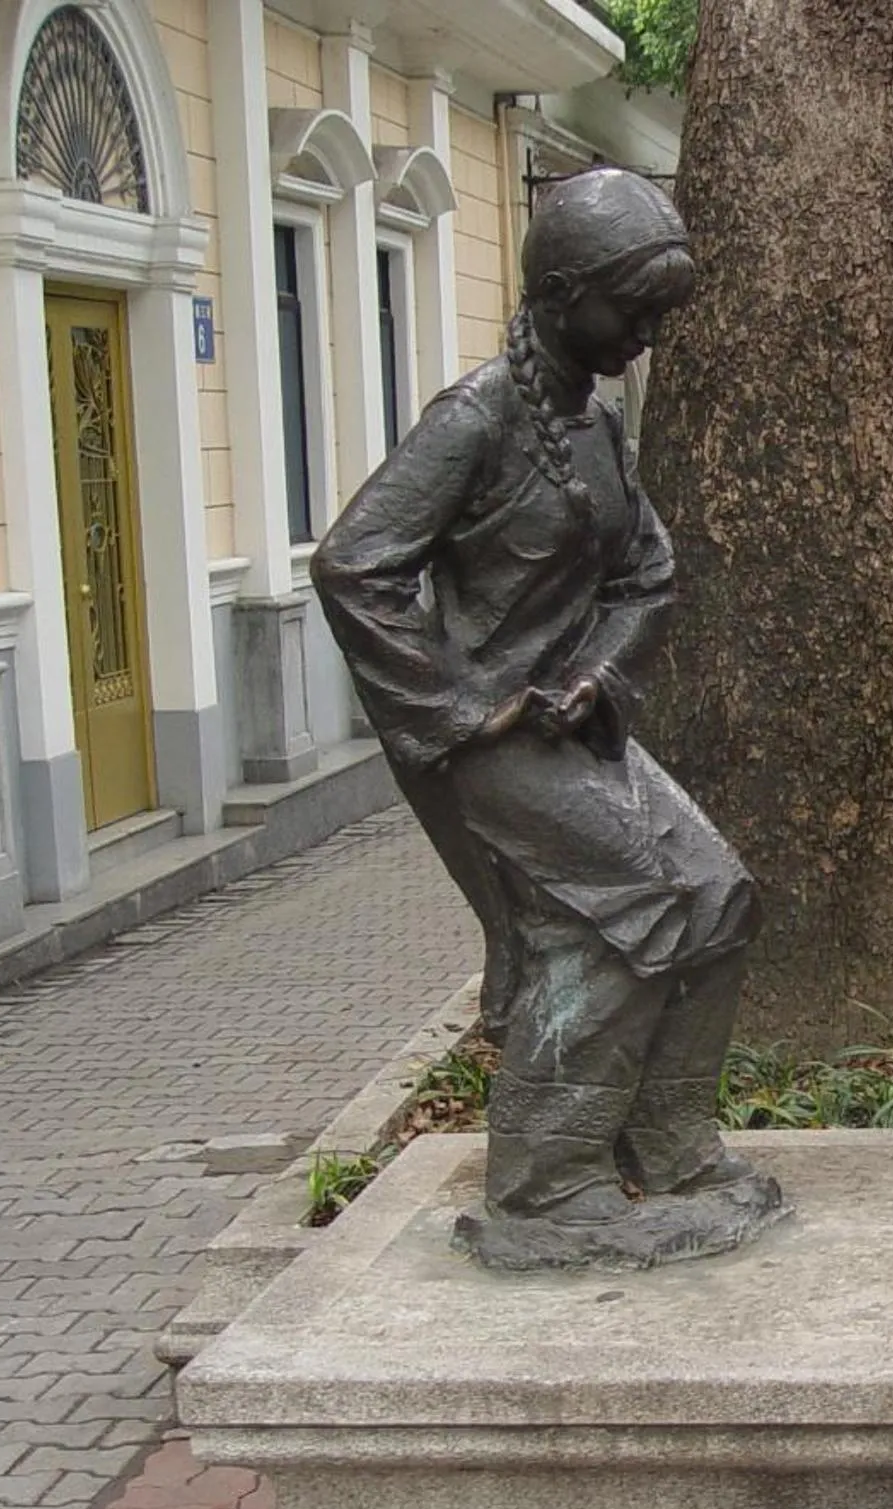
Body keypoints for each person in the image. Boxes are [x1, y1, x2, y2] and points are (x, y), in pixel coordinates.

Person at [313, 168, 778, 1267]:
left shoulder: (596, 425)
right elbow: (354, 566)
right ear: (564, 294)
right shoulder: (474, 420)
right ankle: (546, 1182)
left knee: (718, 895)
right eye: (636, 309)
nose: (649, 334)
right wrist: (462, 706)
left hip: (572, 731)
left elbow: (648, 575)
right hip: (486, 743)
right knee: (633, 909)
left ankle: (670, 1145)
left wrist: (596, 677)